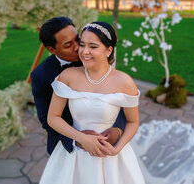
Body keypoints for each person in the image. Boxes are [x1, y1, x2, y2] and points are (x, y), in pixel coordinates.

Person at [39, 21, 145, 184]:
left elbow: (133, 121)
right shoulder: (68, 76)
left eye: (93, 47)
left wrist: (117, 149)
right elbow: (52, 117)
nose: (84, 51)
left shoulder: (124, 82)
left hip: (109, 157)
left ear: (108, 50)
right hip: (74, 155)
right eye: (82, 45)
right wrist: (81, 138)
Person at [30, 17, 126, 156]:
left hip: (107, 140)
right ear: (52, 49)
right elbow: (47, 119)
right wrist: (78, 138)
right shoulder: (41, 76)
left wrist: (118, 129)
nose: (78, 47)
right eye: (68, 45)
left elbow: (118, 96)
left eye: (77, 39)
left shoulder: (94, 57)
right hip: (67, 146)